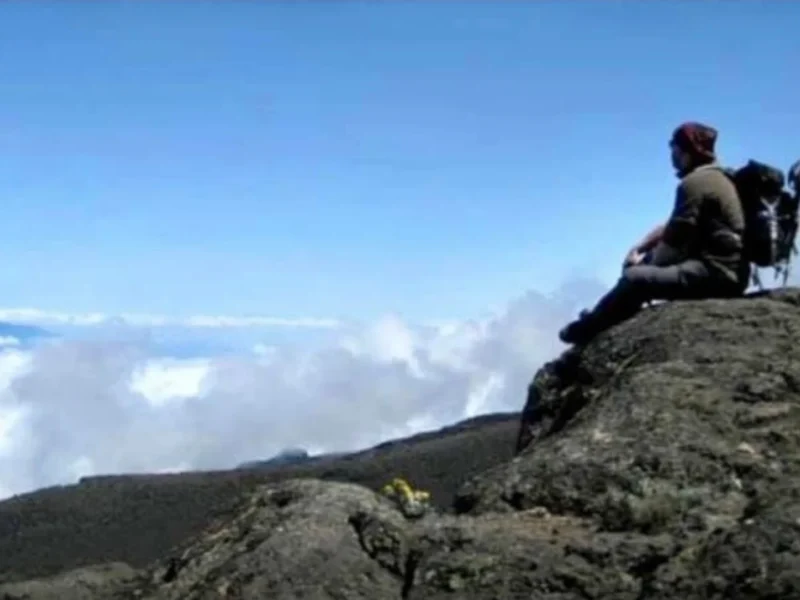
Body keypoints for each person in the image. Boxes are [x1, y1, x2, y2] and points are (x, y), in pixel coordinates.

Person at [558, 121, 750, 346]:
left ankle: (588, 329)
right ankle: (602, 317)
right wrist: (643, 247)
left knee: (634, 279)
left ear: (687, 150)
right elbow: (675, 225)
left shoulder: (695, 183)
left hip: (714, 275)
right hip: (732, 272)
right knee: (642, 271)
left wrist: (645, 266)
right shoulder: (718, 177)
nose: (672, 153)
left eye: (674, 146)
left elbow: (674, 242)